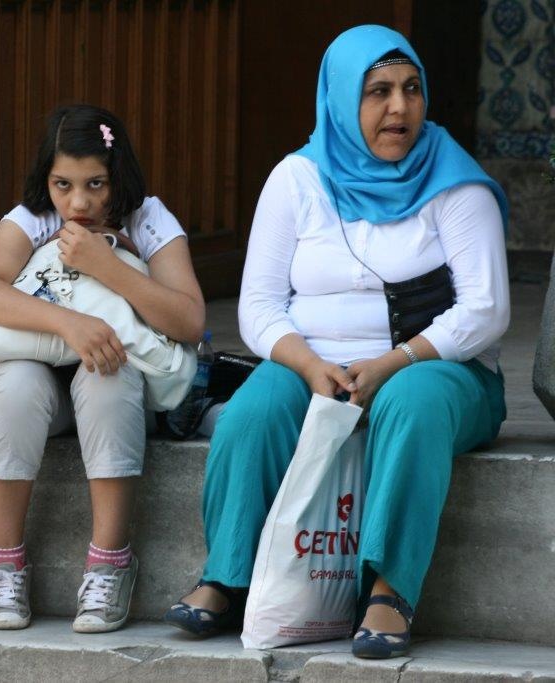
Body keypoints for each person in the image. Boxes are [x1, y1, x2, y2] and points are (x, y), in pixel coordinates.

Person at [163, 25, 509, 659]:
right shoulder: (296, 179)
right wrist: (310, 364)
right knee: (254, 411)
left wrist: (395, 361)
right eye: (377, 91)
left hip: (438, 366)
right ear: (340, 99)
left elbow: (486, 311)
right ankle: (229, 574)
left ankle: (389, 589)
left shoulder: (456, 184)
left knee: (411, 405)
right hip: (313, 360)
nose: (399, 108)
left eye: (411, 89)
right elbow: (260, 309)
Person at [0, 104, 205, 633]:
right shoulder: (32, 219)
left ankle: (109, 564)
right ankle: (4, 563)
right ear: (45, 179)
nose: (79, 202)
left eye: (96, 184)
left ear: (118, 176)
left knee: (106, 375)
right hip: (45, 383)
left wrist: (105, 264)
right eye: (63, 184)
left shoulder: (149, 218)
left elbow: (188, 319)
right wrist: (70, 323)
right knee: (11, 381)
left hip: (112, 380)